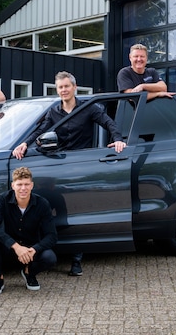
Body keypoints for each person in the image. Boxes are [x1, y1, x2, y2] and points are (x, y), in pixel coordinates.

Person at [12, 71, 126, 277]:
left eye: (66, 86)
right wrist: (24, 144)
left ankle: (76, 259)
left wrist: (118, 139)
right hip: (60, 166)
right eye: (60, 87)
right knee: (58, 210)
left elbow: (109, 123)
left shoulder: (88, 108)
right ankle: (49, 250)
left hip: (82, 166)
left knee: (77, 210)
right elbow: (40, 131)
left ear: (74, 87)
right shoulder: (54, 112)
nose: (63, 90)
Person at [0, 166, 57, 295]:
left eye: (26, 184)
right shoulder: (3, 199)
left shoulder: (42, 203)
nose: (23, 188)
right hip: (9, 248)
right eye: (19, 184)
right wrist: (16, 247)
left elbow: (52, 236)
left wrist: (34, 249)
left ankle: (29, 273)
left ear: (32, 185)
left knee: (50, 258)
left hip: (30, 251)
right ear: (13, 185)